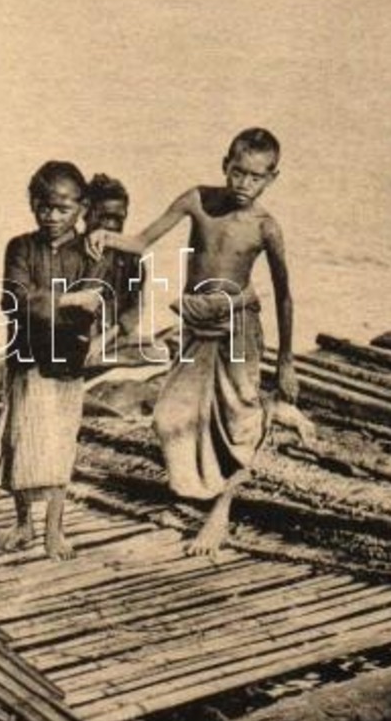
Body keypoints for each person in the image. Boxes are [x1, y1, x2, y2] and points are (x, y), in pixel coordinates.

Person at [86, 127, 298, 554]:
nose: (244, 184)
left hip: (238, 323)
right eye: (238, 172)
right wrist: (105, 237)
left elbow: (285, 293)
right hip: (197, 324)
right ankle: (201, 484)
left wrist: (287, 360)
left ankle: (220, 513)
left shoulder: (266, 227)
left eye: (257, 177)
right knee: (168, 415)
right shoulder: (196, 201)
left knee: (239, 421)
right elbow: (143, 241)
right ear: (225, 165)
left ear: (272, 178)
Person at [0, 162, 109, 561]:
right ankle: (23, 522)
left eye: (62, 209)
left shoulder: (91, 252)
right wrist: (65, 301)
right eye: (43, 208)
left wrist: (56, 306)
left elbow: (92, 305)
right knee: (21, 439)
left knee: (59, 446)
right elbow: (12, 299)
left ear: (82, 207)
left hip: (66, 364)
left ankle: (54, 528)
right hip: (25, 357)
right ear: (32, 205)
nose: (52, 217)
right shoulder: (21, 246)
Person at [83, 173, 151, 367]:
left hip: (113, 340)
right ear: (86, 213)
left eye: (118, 218)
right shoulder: (69, 253)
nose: (112, 226)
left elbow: (136, 307)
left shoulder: (132, 259)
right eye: (105, 217)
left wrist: (105, 338)